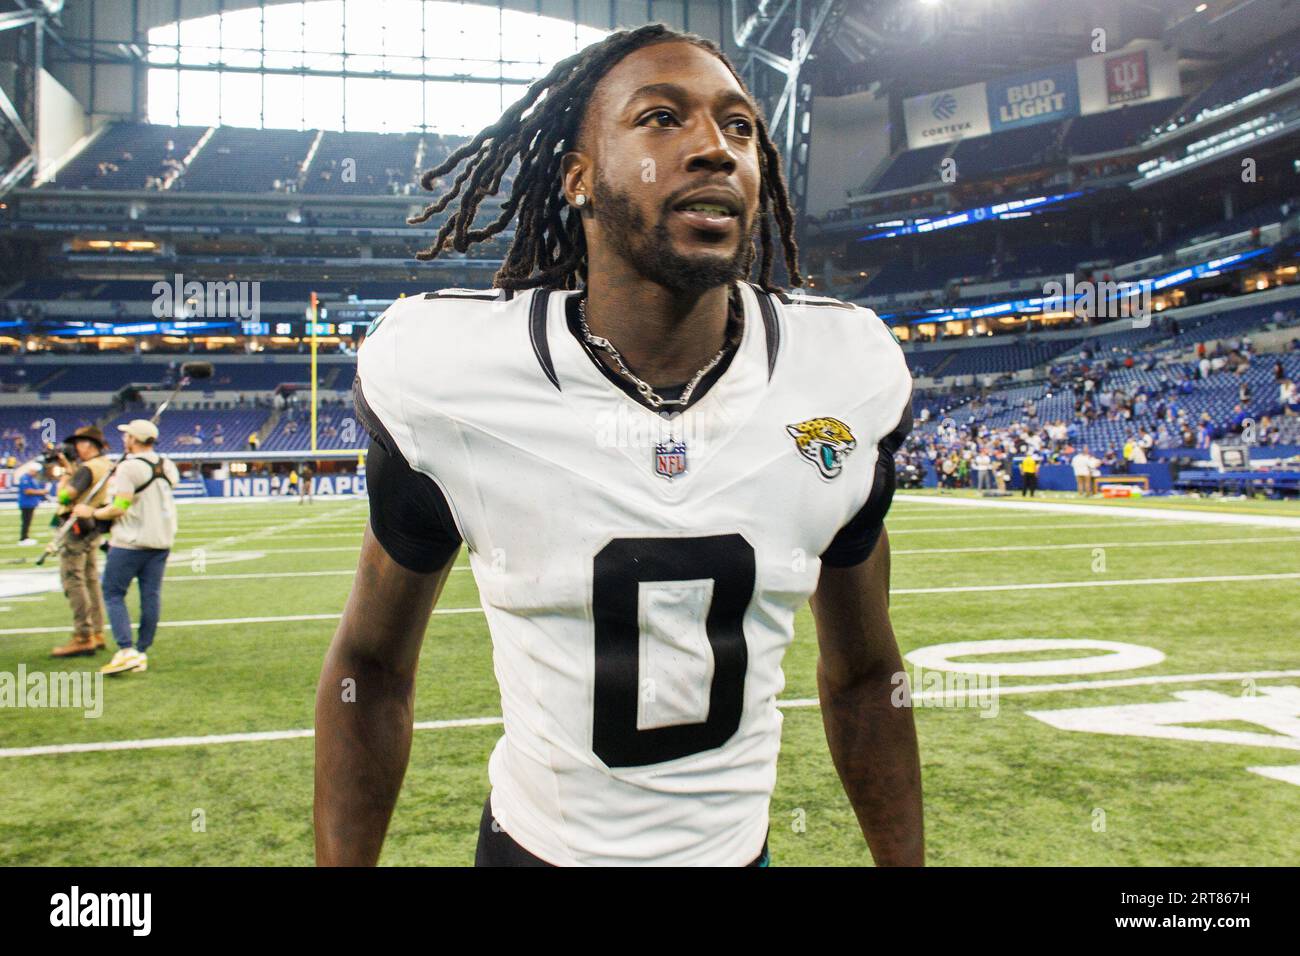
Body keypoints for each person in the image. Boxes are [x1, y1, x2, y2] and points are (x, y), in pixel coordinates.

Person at [316, 25, 922, 869]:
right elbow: (371, 666)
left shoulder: (840, 375)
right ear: (579, 177)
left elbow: (864, 674)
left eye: (740, 127)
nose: (715, 147)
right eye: (662, 118)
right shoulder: (453, 376)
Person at [77, 420, 179, 676]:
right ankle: (142, 651)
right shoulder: (167, 465)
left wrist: (92, 512)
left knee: (112, 593)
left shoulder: (128, 467)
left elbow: (120, 507)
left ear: (134, 439)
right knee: (150, 596)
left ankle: (126, 650)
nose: (124, 439)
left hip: (131, 541)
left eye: (127, 436)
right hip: (161, 540)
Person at [49, 426, 113, 658]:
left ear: (87, 444)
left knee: (73, 580)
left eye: (78, 443)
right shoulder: (105, 464)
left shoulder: (87, 468)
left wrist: (66, 474)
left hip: (76, 527)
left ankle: (82, 635)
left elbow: (65, 496)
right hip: (93, 528)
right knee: (91, 579)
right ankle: (97, 631)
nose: (75, 448)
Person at [17, 461, 53, 544]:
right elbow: (27, 491)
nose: (36, 473)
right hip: (26, 503)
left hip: (31, 503)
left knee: (28, 521)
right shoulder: (25, 478)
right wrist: (41, 492)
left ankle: (26, 537)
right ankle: (23, 539)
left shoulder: (31, 479)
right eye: (36, 471)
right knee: (26, 521)